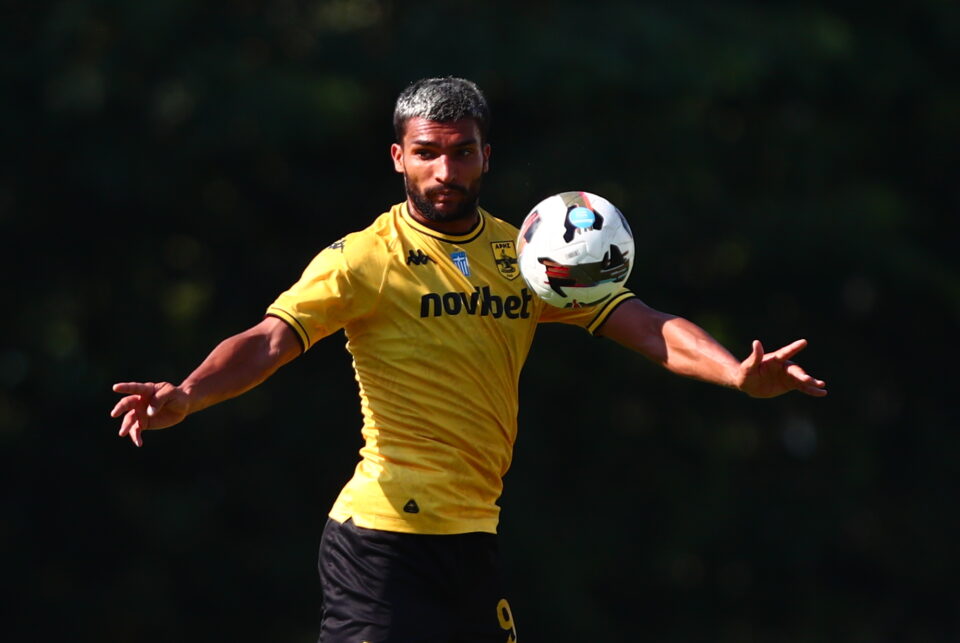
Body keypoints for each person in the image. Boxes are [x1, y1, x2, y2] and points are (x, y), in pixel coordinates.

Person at [110, 77, 826, 642]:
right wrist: (190, 393)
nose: (444, 170)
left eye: (461, 151)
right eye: (427, 152)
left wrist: (735, 372)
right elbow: (269, 339)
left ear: (487, 155)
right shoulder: (365, 260)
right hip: (380, 542)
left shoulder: (530, 258)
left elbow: (643, 324)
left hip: (472, 539)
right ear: (399, 157)